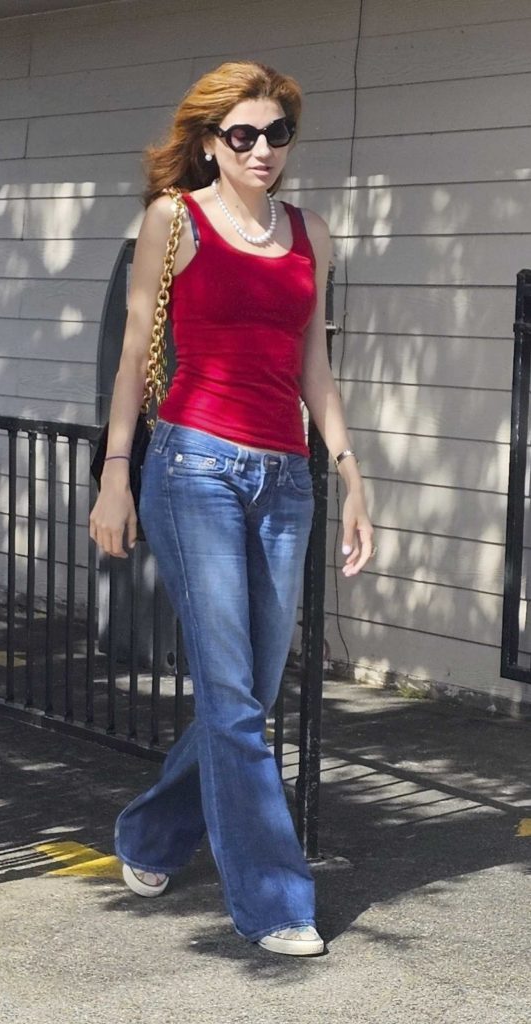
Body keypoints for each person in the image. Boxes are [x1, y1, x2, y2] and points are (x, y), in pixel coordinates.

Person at [89, 61, 374, 957]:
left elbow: (311, 367)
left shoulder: (309, 234)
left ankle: (149, 835)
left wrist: (349, 466)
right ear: (209, 141)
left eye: (275, 133)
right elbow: (140, 352)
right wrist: (114, 473)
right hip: (193, 467)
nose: (261, 150)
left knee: (245, 692)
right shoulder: (173, 221)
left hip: (284, 476)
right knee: (231, 695)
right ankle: (276, 900)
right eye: (242, 135)